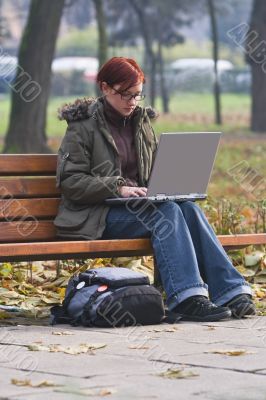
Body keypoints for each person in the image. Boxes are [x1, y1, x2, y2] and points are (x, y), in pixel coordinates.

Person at [54, 56, 256, 322]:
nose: (132, 101)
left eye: (137, 95)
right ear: (104, 87)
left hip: (138, 208)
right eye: (125, 94)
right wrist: (117, 188)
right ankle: (187, 298)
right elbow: (70, 182)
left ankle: (230, 291)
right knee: (167, 213)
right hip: (96, 213)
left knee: (188, 209)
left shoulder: (142, 124)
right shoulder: (82, 127)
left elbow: (151, 173)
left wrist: (168, 184)